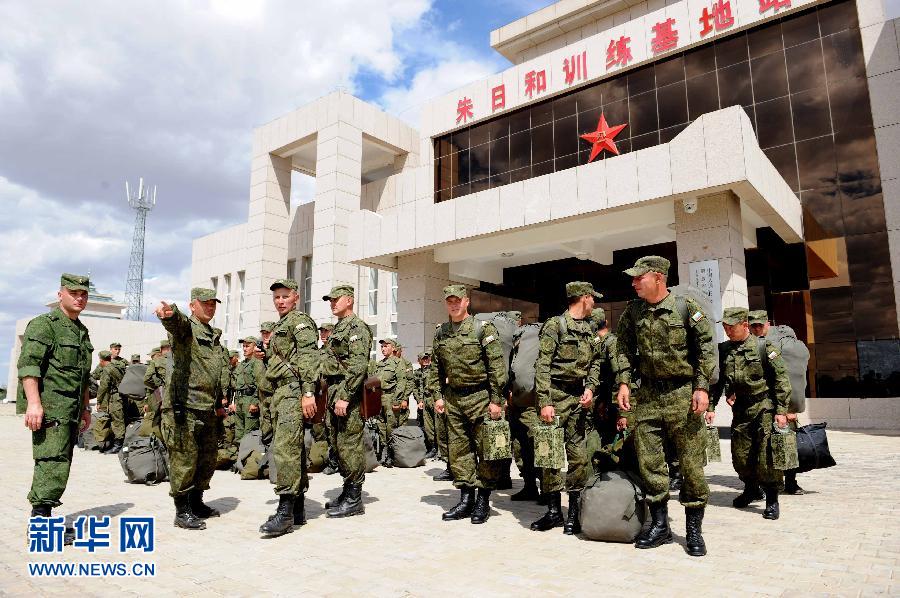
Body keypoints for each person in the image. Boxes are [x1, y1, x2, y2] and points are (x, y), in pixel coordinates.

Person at [616, 256, 716, 557]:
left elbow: (706, 348)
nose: (634, 282)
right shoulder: (633, 312)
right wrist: (623, 382)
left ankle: (694, 530)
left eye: (639, 277)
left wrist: (701, 387)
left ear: (658, 277)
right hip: (647, 397)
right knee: (650, 463)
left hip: (683, 395)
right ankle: (660, 526)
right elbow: (622, 348)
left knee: (690, 466)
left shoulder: (686, 307)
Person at [18, 273, 93, 545]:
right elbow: (29, 367)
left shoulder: (81, 331)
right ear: (60, 294)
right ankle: (39, 525)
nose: (79, 297)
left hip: (72, 411)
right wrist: (34, 403)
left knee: (61, 463)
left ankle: (45, 520)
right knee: (51, 462)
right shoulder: (44, 325)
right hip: (51, 408)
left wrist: (85, 408)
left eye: (84, 294)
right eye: (73, 292)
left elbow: (84, 375)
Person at [428, 285, 508, 524]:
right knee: (459, 451)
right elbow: (435, 368)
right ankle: (466, 499)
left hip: (480, 398)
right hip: (453, 399)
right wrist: (437, 396)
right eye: (449, 301)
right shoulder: (441, 332)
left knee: (485, 451)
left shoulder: (482, 329)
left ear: (466, 302)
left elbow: (496, 367)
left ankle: (483, 499)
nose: (453, 305)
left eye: (457, 301)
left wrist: (496, 401)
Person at [155, 288, 231, 531]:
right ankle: (182, 509)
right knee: (184, 459)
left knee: (206, 459)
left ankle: (197, 502)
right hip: (184, 405)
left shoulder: (213, 336)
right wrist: (169, 315)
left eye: (213, 304)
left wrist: (220, 403)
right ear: (192, 306)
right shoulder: (187, 329)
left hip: (207, 407)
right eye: (205, 303)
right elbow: (177, 325)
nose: (210, 307)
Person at [530, 282, 600, 535]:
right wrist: (545, 401)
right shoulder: (555, 325)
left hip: (577, 397)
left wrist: (590, 388)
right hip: (554, 396)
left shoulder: (589, 329)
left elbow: (596, 363)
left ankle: (573, 513)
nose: (595, 303)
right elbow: (542, 366)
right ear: (583, 298)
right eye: (593, 298)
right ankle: (552, 512)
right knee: (549, 457)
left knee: (578, 457)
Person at [710, 307, 792, 520]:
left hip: (764, 407)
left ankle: (772, 498)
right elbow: (719, 381)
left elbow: (781, 379)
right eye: (725, 327)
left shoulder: (764, 347)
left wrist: (781, 411)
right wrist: (711, 406)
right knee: (741, 456)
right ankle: (751, 489)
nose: (727, 331)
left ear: (745, 325)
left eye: (731, 327)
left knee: (766, 457)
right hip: (741, 410)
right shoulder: (724, 350)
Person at [257, 279, 320, 537]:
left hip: (294, 391)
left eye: (285, 296)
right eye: (276, 297)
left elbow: (308, 358)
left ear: (295, 297)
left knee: (285, 450)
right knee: (293, 450)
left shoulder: (300, 321)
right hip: (281, 392)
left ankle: (285, 512)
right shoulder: (282, 325)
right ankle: (297, 510)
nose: (280, 301)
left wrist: (308, 393)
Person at [320, 285, 373, 518]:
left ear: (349, 300)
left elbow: (358, 365)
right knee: (337, 443)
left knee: (349, 444)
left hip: (346, 393)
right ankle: (346, 490)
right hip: (333, 390)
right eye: (330, 300)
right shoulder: (340, 327)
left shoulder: (357, 328)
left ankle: (354, 499)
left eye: (336, 299)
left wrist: (344, 396)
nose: (332, 303)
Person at [749, 309, 810, 496]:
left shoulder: (780, 345)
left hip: (782, 404)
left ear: (768, 323)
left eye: (760, 324)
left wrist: (790, 407)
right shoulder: (752, 344)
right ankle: (765, 483)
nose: (757, 328)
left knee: (787, 444)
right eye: (753, 325)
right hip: (762, 404)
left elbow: (792, 375)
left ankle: (790, 482)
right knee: (762, 445)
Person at [374, 338, 406, 468]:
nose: (383, 349)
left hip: (391, 397)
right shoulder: (379, 364)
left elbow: (401, 383)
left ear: (393, 348)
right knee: (381, 426)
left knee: (390, 427)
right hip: (379, 398)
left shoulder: (398, 363)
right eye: (381, 347)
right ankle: (383, 451)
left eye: (386, 346)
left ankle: (392, 455)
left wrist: (397, 400)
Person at [232, 337, 264, 444]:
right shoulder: (242, 364)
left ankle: (248, 459)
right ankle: (239, 458)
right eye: (243, 346)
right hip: (240, 401)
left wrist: (255, 402)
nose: (244, 349)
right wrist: (235, 402)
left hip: (250, 400)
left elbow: (260, 385)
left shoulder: (257, 363)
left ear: (255, 347)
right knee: (239, 432)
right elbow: (238, 385)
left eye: (247, 346)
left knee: (249, 434)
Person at [143, 339, 171, 440]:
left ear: (161, 350)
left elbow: (147, 379)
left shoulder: (157, 362)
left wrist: (159, 386)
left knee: (160, 419)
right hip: (179, 397)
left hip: (161, 395)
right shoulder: (179, 360)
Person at [413, 350, 437, 459]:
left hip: (434, 399)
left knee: (438, 425)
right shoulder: (417, 373)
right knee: (427, 426)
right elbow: (415, 388)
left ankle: (439, 450)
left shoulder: (434, 370)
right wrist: (419, 401)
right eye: (423, 358)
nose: (426, 360)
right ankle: (431, 447)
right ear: (419, 361)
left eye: (427, 358)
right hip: (424, 401)